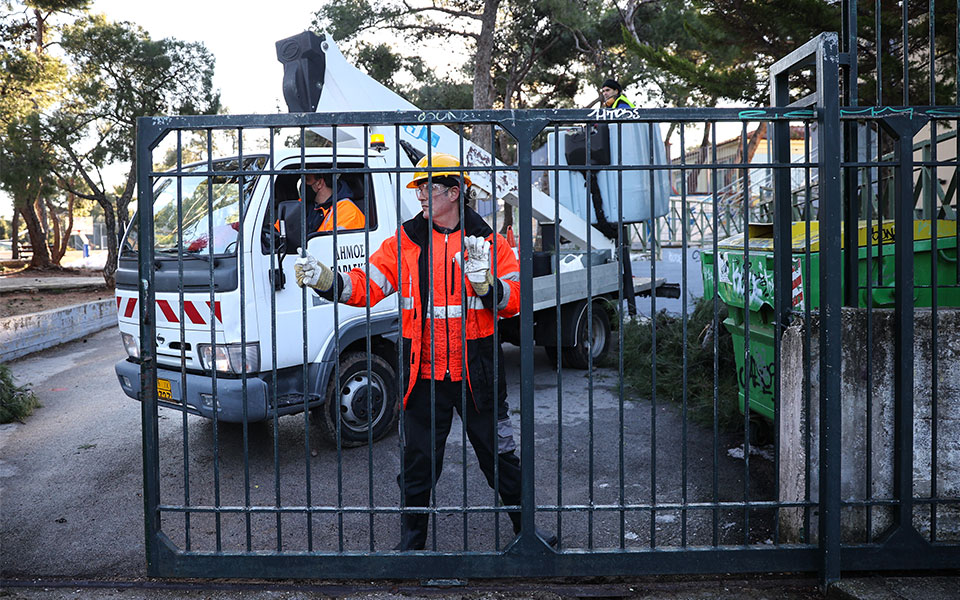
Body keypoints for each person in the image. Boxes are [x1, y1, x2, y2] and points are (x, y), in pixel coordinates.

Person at [293, 153, 556, 551]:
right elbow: (369, 284)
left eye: (427, 187)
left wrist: (489, 288)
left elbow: (517, 297)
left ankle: (529, 535)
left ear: (454, 192)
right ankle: (412, 546)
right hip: (423, 376)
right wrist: (328, 282)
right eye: (416, 187)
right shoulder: (406, 241)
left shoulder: (488, 242)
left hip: (477, 374)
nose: (419, 194)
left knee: (501, 459)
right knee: (418, 465)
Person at [275, 172, 365, 237]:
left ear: (319, 183)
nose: (303, 185)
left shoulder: (347, 211)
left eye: (307, 180)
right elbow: (281, 227)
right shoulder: (306, 204)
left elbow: (329, 246)